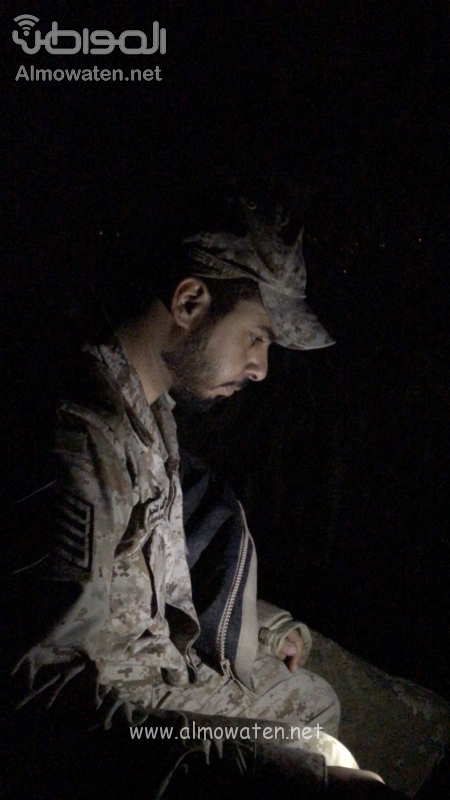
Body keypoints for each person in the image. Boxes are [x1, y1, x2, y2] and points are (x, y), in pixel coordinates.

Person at [6, 189, 405, 798]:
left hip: (161, 662)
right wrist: (252, 767)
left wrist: (256, 623)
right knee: (304, 753)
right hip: (119, 703)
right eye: (257, 337)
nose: (261, 368)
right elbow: (42, 699)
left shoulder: (151, 405)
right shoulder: (80, 442)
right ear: (190, 302)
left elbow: (151, 568)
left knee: (312, 706)